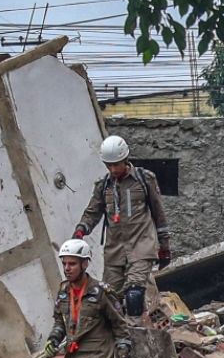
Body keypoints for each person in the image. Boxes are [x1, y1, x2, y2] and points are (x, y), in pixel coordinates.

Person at [73, 135, 170, 322]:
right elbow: (93, 212)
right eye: (108, 165)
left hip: (141, 245)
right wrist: (80, 232)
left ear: (125, 160)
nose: (113, 169)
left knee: (134, 293)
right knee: (108, 298)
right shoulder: (103, 186)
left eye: (116, 164)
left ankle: (134, 339)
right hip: (115, 250)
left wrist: (164, 246)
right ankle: (115, 342)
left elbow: (159, 213)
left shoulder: (144, 179)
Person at [44, 238, 132, 358]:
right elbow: (60, 321)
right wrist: (53, 339)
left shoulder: (101, 292)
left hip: (96, 357)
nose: (67, 268)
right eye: (65, 263)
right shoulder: (63, 291)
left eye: (72, 264)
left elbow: (119, 325)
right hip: (73, 357)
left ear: (85, 264)